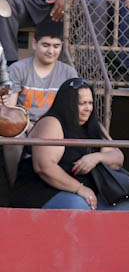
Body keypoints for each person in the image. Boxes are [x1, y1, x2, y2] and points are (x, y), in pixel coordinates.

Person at [11, 78, 129, 211]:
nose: (88, 108)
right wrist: (79, 188)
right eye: (82, 103)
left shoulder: (95, 126)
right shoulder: (51, 123)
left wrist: (96, 158)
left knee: (127, 205)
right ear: (68, 104)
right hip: (45, 192)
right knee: (79, 205)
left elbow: (118, 157)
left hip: (89, 194)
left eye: (90, 103)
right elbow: (44, 167)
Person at [4, 19, 77, 185]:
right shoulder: (18, 69)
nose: (51, 51)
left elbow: (70, 110)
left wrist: (46, 130)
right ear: (34, 43)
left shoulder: (68, 73)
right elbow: (10, 109)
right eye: (46, 45)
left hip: (54, 127)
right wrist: (31, 128)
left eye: (56, 46)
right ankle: (15, 186)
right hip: (24, 125)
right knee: (13, 138)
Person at [0, 0, 91, 63]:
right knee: (2, 1)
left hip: (57, 6)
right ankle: (8, 63)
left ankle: (90, 66)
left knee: (93, 1)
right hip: (21, 2)